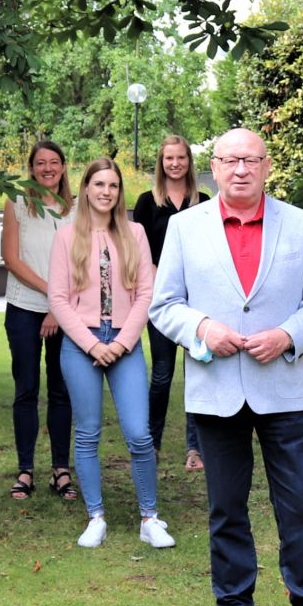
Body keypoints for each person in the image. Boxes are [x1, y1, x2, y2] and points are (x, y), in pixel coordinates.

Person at [150, 127, 303, 606]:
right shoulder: (183, 227)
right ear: (212, 168)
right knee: (225, 507)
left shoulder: (299, 223)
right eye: (230, 160)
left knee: (299, 505)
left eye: (251, 159)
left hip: (280, 387)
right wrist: (202, 330)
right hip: (216, 390)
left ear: (266, 166)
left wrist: (287, 334)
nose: (240, 169)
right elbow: (164, 305)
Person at [49, 158, 174, 551]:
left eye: (113, 186)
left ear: (120, 193)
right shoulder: (67, 237)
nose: (106, 192)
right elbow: (57, 298)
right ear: (85, 188)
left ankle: (149, 518)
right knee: (86, 433)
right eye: (99, 184)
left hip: (126, 342)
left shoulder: (135, 233)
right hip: (81, 344)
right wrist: (92, 345)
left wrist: (120, 343)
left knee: (139, 433)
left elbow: (145, 293)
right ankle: (96, 516)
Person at [0, 140, 76, 502]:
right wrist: (50, 297)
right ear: (31, 168)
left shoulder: (77, 210)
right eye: (40, 163)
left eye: (54, 162)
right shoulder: (17, 203)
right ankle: (25, 469)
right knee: (26, 389)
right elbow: (11, 259)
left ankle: (61, 469)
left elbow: (81, 264)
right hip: (23, 308)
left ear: (63, 167)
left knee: (61, 390)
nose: (48, 168)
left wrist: (57, 308)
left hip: (66, 313)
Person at [131, 134, 208, 472]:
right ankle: (153, 443)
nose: (175, 164)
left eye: (181, 158)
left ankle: (196, 449)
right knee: (162, 374)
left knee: (198, 373)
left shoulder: (204, 201)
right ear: (161, 164)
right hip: (163, 301)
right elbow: (141, 253)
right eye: (168, 159)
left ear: (189, 162)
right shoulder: (147, 202)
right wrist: (166, 285)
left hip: (199, 303)